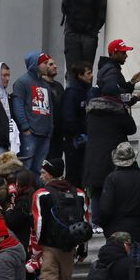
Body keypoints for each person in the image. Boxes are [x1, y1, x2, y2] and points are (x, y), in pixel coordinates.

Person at [29, 158, 93, 280]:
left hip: (49, 248)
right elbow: (85, 223)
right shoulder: (78, 193)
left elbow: (38, 224)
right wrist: (82, 249)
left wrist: (37, 250)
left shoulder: (41, 194)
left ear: (50, 173)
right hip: (70, 248)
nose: (41, 175)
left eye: (43, 172)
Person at [82, 82, 136, 223]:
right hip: (113, 157)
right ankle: (113, 218)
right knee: (116, 189)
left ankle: (96, 221)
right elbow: (132, 128)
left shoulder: (91, 112)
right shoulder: (118, 112)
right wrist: (125, 109)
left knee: (97, 190)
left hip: (93, 156)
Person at [95, 143, 140, 257]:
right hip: (136, 231)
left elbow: (105, 209)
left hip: (115, 231)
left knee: (115, 269)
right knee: (133, 269)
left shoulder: (112, 178)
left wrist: (102, 224)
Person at [10, 52, 61, 175]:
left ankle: (35, 193)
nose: (47, 66)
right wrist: (25, 127)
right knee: (25, 167)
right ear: (35, 65)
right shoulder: (22, 82)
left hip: (45, 134)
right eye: (44, 63)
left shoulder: (46, 86)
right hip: (30, 133)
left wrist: (50, 129)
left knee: (39, 170)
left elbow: (50, 109)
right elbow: (18, 106)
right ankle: (23, 193)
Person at [60, 0, 107, 74]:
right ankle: (86, 91)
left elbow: (64, 9)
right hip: (90, 37)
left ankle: (71, 89)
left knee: (72, 71)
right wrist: (93, 30)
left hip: (71, 35)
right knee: (86, 71)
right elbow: (102, 17)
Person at [60, 63, 93, 193]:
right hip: (73, 140)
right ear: (80, 75)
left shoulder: (85, 91)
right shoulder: (72, 92)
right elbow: (69, 117)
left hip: (82, 139)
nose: (91, 76)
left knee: (82, 173)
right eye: (88, 73)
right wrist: (78, 134)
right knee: (74, 172)